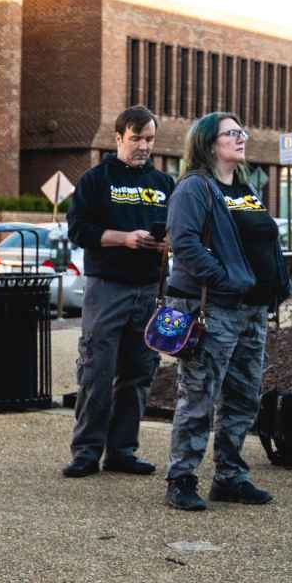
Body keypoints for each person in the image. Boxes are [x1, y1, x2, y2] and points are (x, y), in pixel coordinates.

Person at [163, 112, 288, 511]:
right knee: (199, 394)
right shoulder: (195, 188)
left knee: (243, 396)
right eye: (231, 133)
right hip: (213, 308)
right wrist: (225, 280)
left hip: (251, 312)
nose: (241, 138)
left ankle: (230, 476)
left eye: (242, 132)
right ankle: (181, 478)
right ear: (207, 142)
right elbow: (183, 244)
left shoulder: (245, 188)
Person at [62, 105, 176, 478]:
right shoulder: (96, 180)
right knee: (97, 371)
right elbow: (78, 229)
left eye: (149, 139)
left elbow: (180, 233)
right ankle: (86, 452)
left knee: (139, 373)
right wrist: (124, 239)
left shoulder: (164, 185)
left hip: (148, 290)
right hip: (107, 288)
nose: (143, 146)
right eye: (136, 138)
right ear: (118, 138)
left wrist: (166, 245)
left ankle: (123, 450)